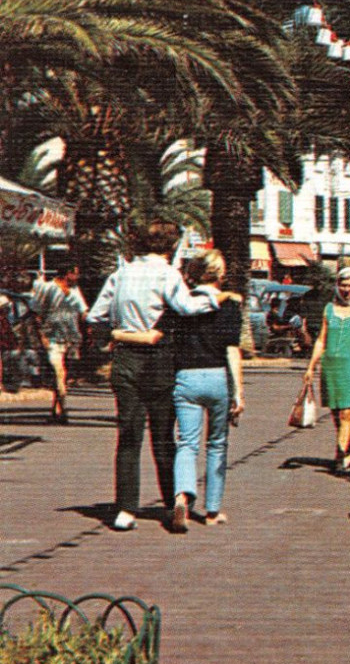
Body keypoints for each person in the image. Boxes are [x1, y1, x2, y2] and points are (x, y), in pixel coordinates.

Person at [86, 220, 224, 532]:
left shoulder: (120, 273)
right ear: (172, 248)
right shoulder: (168, 273)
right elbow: (187, 307)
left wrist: (115, 335)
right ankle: (171, 502)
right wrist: (217, 297)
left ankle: (125, 508)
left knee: (129, 435)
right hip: (159, 360)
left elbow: (95, 316)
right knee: (164, 436)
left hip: (125, 360)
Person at [114, 250, 242, 531]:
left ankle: (181, 495)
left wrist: (117, 334)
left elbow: (153, 336)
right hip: (217, 377)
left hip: (185, 379)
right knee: (217, 444)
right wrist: (239, 392)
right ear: (221, 275)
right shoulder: (230, 305)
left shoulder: (178, 306)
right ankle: (212, 511)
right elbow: (232, 351)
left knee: (187, 443)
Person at [302, 268, 350, 473]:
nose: (347, 290)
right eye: (343, 285)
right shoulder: (329, 308)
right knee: (336, 412)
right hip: (331, 365)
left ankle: (341, 453)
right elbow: (321, 340)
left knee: (347, 412)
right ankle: (347, 449)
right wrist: (311, 366)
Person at [30, 263, 86, 423]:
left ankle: (58, 407)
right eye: (75, 273)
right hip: (52, 337)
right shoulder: (47, 288)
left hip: (71, 338)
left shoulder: (75, 291)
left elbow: (83, 311)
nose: (77, 277)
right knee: (58, 371)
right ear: (67, 273)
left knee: (64, 374)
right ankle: (61, 410)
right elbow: (36, 313)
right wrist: (42, 336)